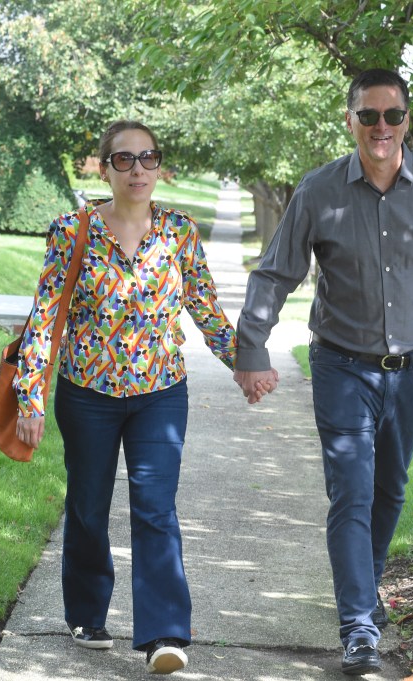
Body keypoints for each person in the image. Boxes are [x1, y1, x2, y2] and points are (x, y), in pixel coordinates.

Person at [233, 68, 413, 676]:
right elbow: (277, 272)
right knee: (351, 489)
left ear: (406, 121)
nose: (381, 127)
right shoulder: (319, 190)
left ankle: (365, 595)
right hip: (341, 365)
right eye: (369, 115)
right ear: (350, 120)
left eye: (393, 116)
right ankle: (357, 626)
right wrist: (253, 348)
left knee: (389, 489)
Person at [14, 120, 256, 675]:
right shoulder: (71, 231)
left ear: (158, 165)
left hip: (160, 394)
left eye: (148, 158)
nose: (139, 169)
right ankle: (86, 614)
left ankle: (163, 635)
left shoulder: (177, 231)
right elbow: (44, 318)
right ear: (105, 168)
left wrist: (244, 362)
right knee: (89, 508)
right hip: (87, 394)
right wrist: (30, 396)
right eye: (124, 160)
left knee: (154, 508)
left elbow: (204, 307)